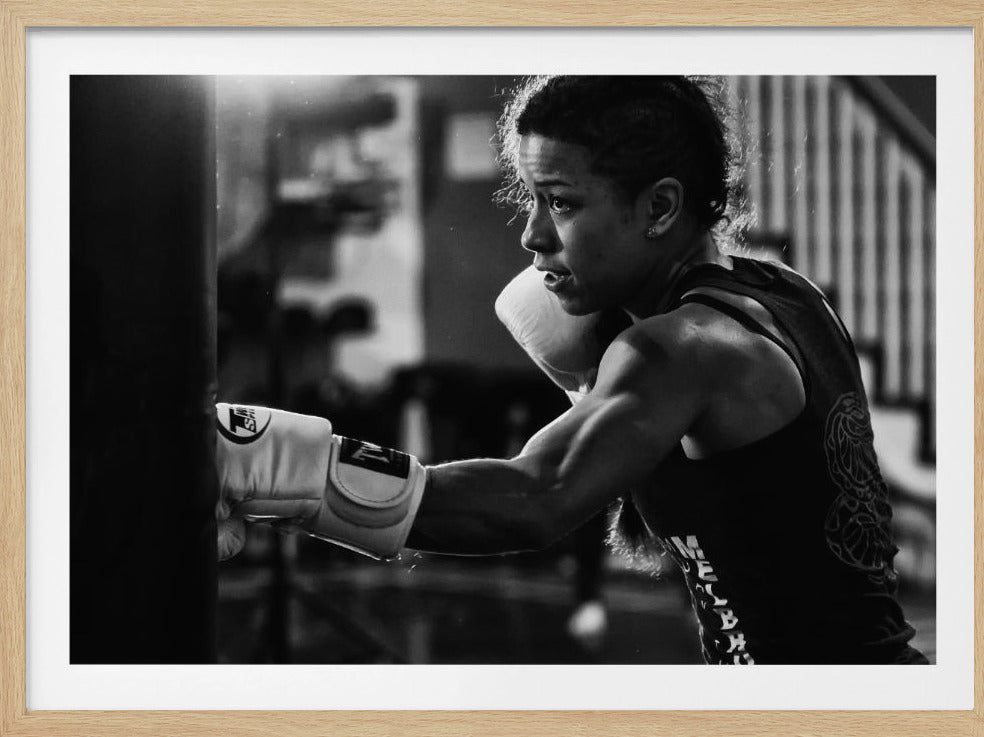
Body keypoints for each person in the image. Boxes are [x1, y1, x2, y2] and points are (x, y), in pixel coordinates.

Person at [215, 75, 927, 665]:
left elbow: (535, 497)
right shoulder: (787, 295)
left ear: (660, 207)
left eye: (560, 201)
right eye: (530, 197)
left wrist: (292, 466)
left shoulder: (678, 351)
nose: (532, 234)